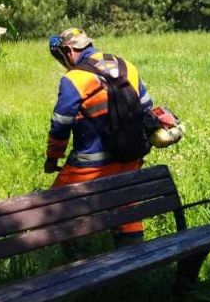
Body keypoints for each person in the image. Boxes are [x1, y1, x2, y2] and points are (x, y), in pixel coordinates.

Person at [45, 27, 155, 247]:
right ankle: (133, 261)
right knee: (126, 204)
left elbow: (61, 124)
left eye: (62, 56)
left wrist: (52, 157)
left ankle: (76, 257)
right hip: (131, 154)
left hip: (92, 162)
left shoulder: (75, 78)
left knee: (54, 205)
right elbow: (147, 107)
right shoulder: (127, 66)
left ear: (68, 49)